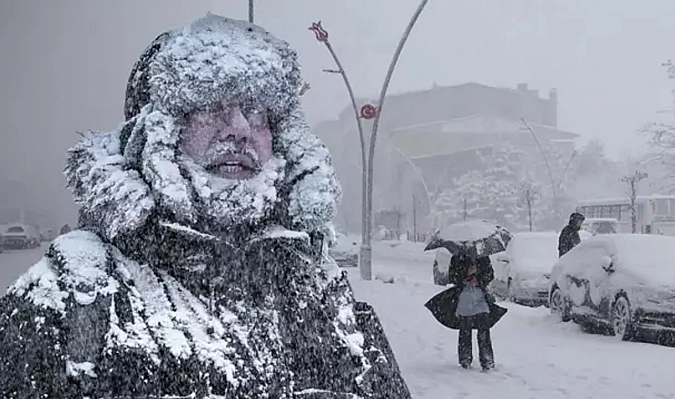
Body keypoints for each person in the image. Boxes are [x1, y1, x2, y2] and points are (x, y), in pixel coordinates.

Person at [0, 15, 411, 399]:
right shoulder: (71, 298)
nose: (240, 129)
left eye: (257, 111)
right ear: (156, 133)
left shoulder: (315, 282)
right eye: (212, 107)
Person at [424, 240, 506, 372]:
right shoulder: (457, 257)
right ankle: (465, 359)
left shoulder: (483, 257)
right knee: (465, 331)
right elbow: (452, 277)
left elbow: (490, 274)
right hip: (464, 300)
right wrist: (466, 276)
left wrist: (478, 279)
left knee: (484, 330)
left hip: (480, 299)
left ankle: (487, 360)